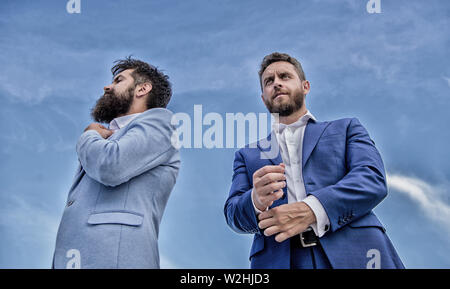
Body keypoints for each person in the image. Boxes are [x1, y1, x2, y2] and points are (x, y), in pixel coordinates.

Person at [224, 52, 404, 269]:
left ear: (305, 86)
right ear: (263, 97)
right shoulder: (247, 154)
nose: (277, 83)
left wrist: (311, 210)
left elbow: (371, 179)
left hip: (358, 253)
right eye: (268, 81)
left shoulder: (347, 128)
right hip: (279, 261)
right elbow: (233, 214)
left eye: (285, 76)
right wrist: (254, 200)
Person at [52, 57, 180, 268]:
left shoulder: (160, 124)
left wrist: (89, 136)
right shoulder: (109, 138)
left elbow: (111, 166)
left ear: (142, 89)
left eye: (118, 80)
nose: (107, 86)